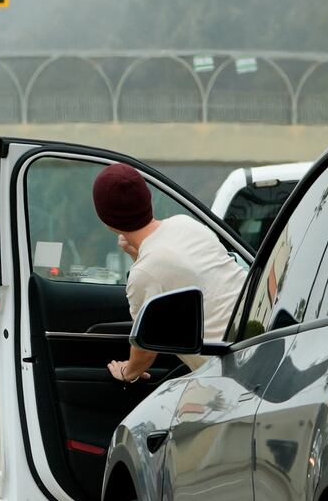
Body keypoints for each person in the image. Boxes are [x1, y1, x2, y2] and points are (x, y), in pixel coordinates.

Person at [91, 162, 246, 383]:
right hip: (257, 342)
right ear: (147, 198)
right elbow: (166, 274)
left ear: (105, 219)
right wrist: (136, 254)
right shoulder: (186, 224)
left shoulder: (143, 274)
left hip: (227, 375)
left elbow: (146, 348)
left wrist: (128, 373)